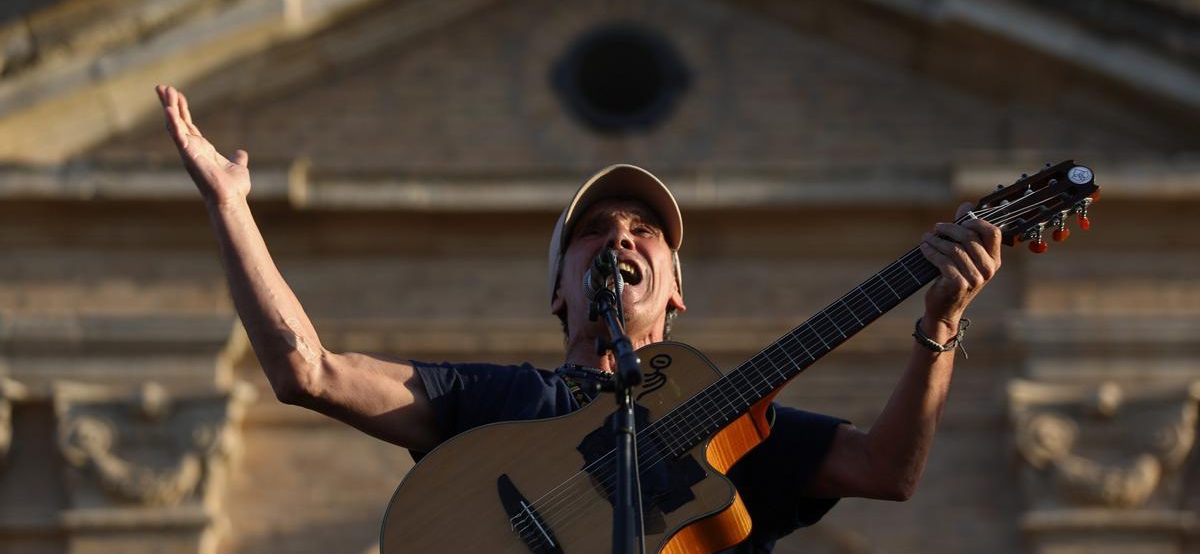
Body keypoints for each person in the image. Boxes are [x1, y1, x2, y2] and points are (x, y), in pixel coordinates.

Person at [156, 84, 1002, 552]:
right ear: (560, 291)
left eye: (644, 234)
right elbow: (307, 369)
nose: (620, 239)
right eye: (595, 232)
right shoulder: (494, 402)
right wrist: (231, 207)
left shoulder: (736, 420)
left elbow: (889, 468)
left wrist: (938, 328)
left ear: (675, 290)